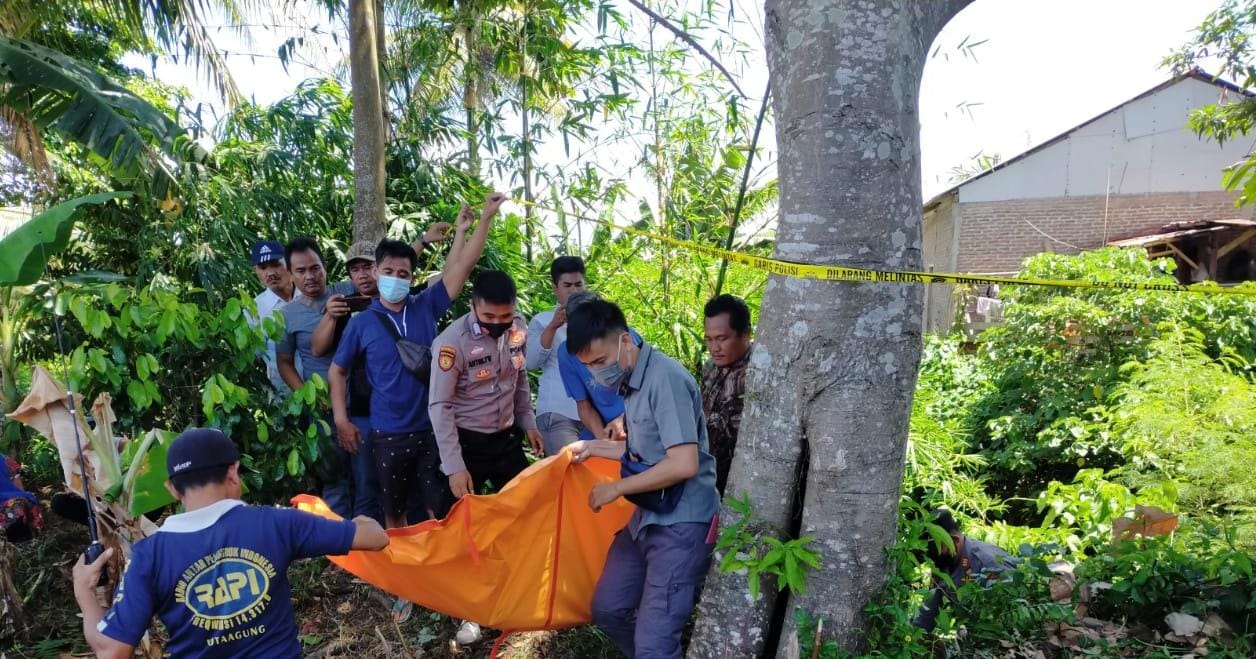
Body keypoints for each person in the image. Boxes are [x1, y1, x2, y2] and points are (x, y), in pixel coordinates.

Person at [70, 428, 388, 659]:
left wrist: (86, 595)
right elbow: (375, 538)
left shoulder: (149, 555)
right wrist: (362, 519)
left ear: (172, 489)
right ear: (233, 472)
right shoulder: (278, 523)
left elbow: (111, 650)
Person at [328, 194, 503, 530]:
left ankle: (437, 572)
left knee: (440, 510)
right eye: (389, 271)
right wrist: (341, 419)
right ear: (376, 272)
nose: (397, 277)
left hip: (434, 429)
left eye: (404, 273)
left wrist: (484, 220)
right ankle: (399, 576)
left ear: (412, 277)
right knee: (393, 512)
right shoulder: (361, 322)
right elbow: (337, 370)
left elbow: (462, 266)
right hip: (387, 433)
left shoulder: (425, 305)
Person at [566, 298, 720, 659]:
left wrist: (615, 488)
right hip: (647, 517)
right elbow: (643, 454)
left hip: (682, 523)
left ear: (624, 340)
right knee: (607, 609)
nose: (597, 373)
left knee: (655, 645)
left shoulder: (665, 379)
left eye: (600, 362)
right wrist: (592, 448)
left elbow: (683, 463)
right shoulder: (631, 380)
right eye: (589, 367)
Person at [428, 269, 543, 646]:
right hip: (466, 445)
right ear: (473, 306)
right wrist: (455, 466)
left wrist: (528, 423)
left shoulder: (518, 329)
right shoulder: (451, 343)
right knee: (465, 530)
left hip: (506, 440)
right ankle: (469, 613)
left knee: (525, 513)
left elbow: (519, 380)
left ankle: (519, 594)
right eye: (488, 317)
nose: (497, 325)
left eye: (504, 317)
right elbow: (440, 406)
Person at [274, 237, 361, 519]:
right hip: (322, 410)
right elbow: (285, 363)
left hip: (362, 403)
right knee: (335, 479)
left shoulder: (346, 293)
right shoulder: (286, 316)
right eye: (301, 271)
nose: (310, 276)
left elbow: (384, 272)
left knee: (367, 476)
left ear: (325, 267)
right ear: (290, 274)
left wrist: (421, 243)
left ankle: (374, 544)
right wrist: (308, 397)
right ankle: (338, 549)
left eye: (315, 268)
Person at [525, 256, 588, 455]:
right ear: (555, 288)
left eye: (579, 284)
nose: (574, 290)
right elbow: (531, 362)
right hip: (558, 412)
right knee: (567, 473)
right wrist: (553, 326)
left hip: (594, 414)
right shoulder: (542, 321)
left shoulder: (599, 320)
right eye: (567, 285)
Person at [913, 509, 1014, 632]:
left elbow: (1011, 614)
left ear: (954, 541)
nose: (931, 556)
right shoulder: (944, 562)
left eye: (936, 549)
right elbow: (926, 615)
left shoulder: (988, 563)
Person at [557, 292, 637, 442]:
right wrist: (604, 441)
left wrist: (626, 420)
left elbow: (650, 391)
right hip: (605, 429)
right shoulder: (566, 354)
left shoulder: (624, 337)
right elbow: (583, 404)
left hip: (640, 421)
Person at [699, 294, 754, 496]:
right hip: (708, 475)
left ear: (745, 333)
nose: (714, 348)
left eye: (722, 339)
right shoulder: (710, 368)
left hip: (743, 483)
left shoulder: (760, 376)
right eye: (709, 339)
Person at [247, 240, 300, 397]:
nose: (270, 273)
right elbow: (254, 356)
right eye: (263, 268)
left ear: (289, 264)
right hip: (282, 395)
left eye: (276, 265)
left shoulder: (310, 296)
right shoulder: (253, 310)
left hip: (322, 388)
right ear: (256, 271)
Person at [1, 454, 41, 542]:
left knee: (21, 503)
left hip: (9, 503)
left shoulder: (4, 460)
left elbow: (20, 491)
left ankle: (25, 540)